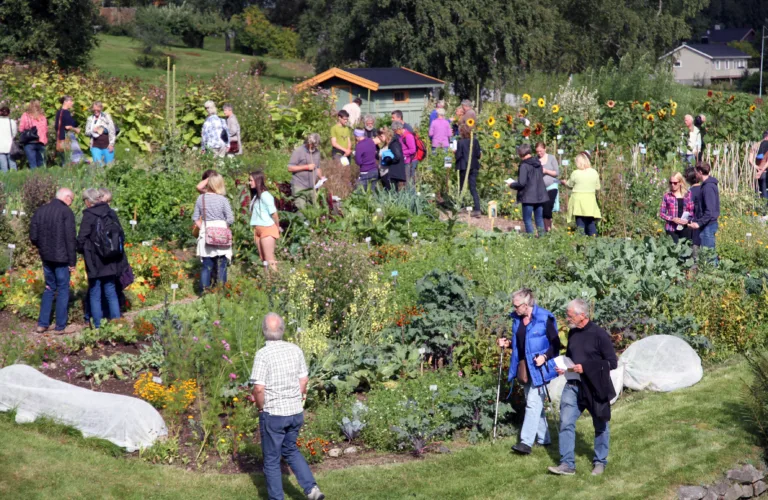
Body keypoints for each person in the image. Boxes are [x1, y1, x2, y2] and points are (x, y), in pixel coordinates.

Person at [251, 313, 325, 500]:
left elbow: (259, 388)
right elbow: (304, 379)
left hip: (274, 413)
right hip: (295, 412)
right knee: (290, 449)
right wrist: (295, 399)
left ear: (263, 331)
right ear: (283, 330)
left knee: (272, 461)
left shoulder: (263, 354)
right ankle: (312, 490)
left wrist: (261, 408)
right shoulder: (295, 350)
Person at [548, 299, 617, 477]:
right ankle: (567, 464)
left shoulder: (599, 334)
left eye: (570, 315)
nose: (567, 318)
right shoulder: (573, 333)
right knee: (565, 422)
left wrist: (586, 367)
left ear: (582, 315)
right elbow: (572, 357)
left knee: (601, 424)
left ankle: (600, 462)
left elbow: (612, 363)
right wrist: (565, 367)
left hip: (595, 387)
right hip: (573, 385)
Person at [496, 289, 560, 455]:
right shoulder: (517, 320)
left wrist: (545, 357)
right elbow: (521, 344)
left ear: (526, 305)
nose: (514, 308)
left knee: (533, 403)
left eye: (516, 306)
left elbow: (556, 345)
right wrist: (508, 343)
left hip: (540, 367)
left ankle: (525, 443)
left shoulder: (545, 318)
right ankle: (544, 438)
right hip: (525, 367)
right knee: (534, 403)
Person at [30, 188, 77, 334]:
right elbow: (70, 239)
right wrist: (72, 262)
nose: (71, 203)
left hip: (46, 257)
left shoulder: (41, 211)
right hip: (62, 258)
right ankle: (60, 326)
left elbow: (33, 236)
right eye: (72, 200)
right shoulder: (66, 212)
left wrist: (42, 248)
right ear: (67, 198)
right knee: (63, 289)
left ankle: (42, 324)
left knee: (49, 288)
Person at [77, 188, 124, 329]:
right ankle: (117, 325)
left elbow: (81, 239)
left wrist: (83, 250)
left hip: (94, 260)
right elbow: (121, 235)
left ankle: (98, 327)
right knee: (111, 291)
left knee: (95, 292)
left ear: (88, 201)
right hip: (111, 258)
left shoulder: (88, 215)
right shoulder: (111, 213)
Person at [193, 173, 234, 290]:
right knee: (222, 264)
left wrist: (204, 227)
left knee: (206, 265)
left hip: (206, 232)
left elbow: (196, 218)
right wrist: (222, 226)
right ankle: (221, 291)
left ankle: (204, 293)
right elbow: (230, 218)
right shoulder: (223, 200)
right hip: (221, 233)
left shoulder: (201, 198)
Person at [510, 143, 549, 235]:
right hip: (540, 195)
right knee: (539, 218)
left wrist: (511, 184)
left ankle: (531, 239)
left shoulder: (524, 165)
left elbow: (521, 183)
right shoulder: (538, 163)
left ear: (521, 154)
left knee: (527, 219)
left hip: (528, 196)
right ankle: (542, 238)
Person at [564, 152, 601, 236]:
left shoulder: (575, 173)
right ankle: (594, 241)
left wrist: (564, 182)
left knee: (580, 224)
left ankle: (581, 243)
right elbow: (598, 187)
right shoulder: (594, 172)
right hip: (590, 202)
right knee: (590, 223)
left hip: (578, 203)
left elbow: (569, 185)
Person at [249, 170, 280, 271]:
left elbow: (274, 214)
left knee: (270, 259)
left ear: (257, 181)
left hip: (267, 228)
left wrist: (277, 227)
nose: (250, 183)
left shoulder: (265, 195)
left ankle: (276, 282)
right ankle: (267, 282)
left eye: (251, 180)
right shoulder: (256, 197)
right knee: (264, 260)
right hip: (258, 229)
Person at [689, 162, 720, 253]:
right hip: (706, 224)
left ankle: (712, 267)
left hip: (708, 225)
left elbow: (709, 211)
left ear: (700, 172)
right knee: (707, 254)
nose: (695, 175)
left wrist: (699, 223)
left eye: (696, 172)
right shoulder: (706, 186)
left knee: (709, 255)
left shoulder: (708, 187)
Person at [287, 133, 322, 209]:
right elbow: (290, 168)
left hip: (312, 187)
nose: (313, 147)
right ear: (308, 142)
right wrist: (306, 167)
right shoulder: (298, 151)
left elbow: (318, 168)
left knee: (314, 210)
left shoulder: (317, 152)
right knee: (302, 211)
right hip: (299, 185)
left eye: (316, 145)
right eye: (312, 145)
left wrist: (321, 178)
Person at [454, 124, 482, 217]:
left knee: (461, 187)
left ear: (462, 132)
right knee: (473, 187)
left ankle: (460, 206)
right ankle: (477, 209)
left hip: (463, 166)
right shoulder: (475, 141)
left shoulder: (460, 142)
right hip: (473, 166)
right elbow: (478, 155)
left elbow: (458, 156)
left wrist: (455, 153)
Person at [658, 172, 694, 243]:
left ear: (680, 182)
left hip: (685, 228)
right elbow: (662, 213)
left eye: (675, 183)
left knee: (686, 251)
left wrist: (688, 220)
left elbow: (692, 211)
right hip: (671, 229)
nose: (672, 185)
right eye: (671, 182)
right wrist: (672, 219)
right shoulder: (667, 196)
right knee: (673, 251)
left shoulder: (688, 194)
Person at [535, 142, 560, 232]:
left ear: (545, 149)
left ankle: (548, 229)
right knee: (541, 210)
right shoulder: (535, 160)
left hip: (552, 186)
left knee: (547, 207)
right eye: (537, 152)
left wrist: (545, 171)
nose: (539, 153)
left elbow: (556, 173)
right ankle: (545, 230)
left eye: (541, 151)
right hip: (540, 188)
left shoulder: (551, 158)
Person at [84, 101, 116, 166]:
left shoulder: (106, 117)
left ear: (101, 108)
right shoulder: (90, 119)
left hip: (107, 146)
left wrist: (111, 144)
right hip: (95, 146)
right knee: (98, 167)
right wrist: (93, 131)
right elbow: (86, 132)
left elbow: (112, 130)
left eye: (98, 109)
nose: (96, 111)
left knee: (109, 166)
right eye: (94, 109)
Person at [19, 100, 48, 169]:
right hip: (41, 142)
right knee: (41, 164)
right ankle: (43, 179)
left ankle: (34, 179)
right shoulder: (43, 117)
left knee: (33, 164)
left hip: (29, 142)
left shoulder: (25, 115)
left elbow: (20, 129)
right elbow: (45, 130)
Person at [54, 95, 80, 165]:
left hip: (60, 138)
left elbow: (56, 126)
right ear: (65, 102)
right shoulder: (66, 112)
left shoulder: (59, 112)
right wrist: (76, 129)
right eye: (71, 101)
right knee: (74, 159)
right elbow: (68, 127)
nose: (72, 103)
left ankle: (64, 175)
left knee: (64, 161)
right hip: (67, 138)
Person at [385, 122, 407, 190]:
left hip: (395, 171)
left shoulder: (394, 143)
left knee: (393, 190)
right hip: (397, 170)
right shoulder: (396, 140)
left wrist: (389, 160)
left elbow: (397, 156)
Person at [0, 106, 18, 172]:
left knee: (3, 166)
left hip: (0, 147)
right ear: (8, 113)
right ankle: (15, 180)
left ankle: (5, 181)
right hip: (10, 146)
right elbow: (14, 133)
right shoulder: (12, 122)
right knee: (12, 164)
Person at [754, 130, 768, 199]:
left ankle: (758, 204)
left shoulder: (756, 145)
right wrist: (761, 171)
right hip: (764, 170)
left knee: (758, 189)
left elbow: (750, 160)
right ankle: (764, 207)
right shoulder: (766, 145)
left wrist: (756, 167)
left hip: (757, 170)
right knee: (764, 188)